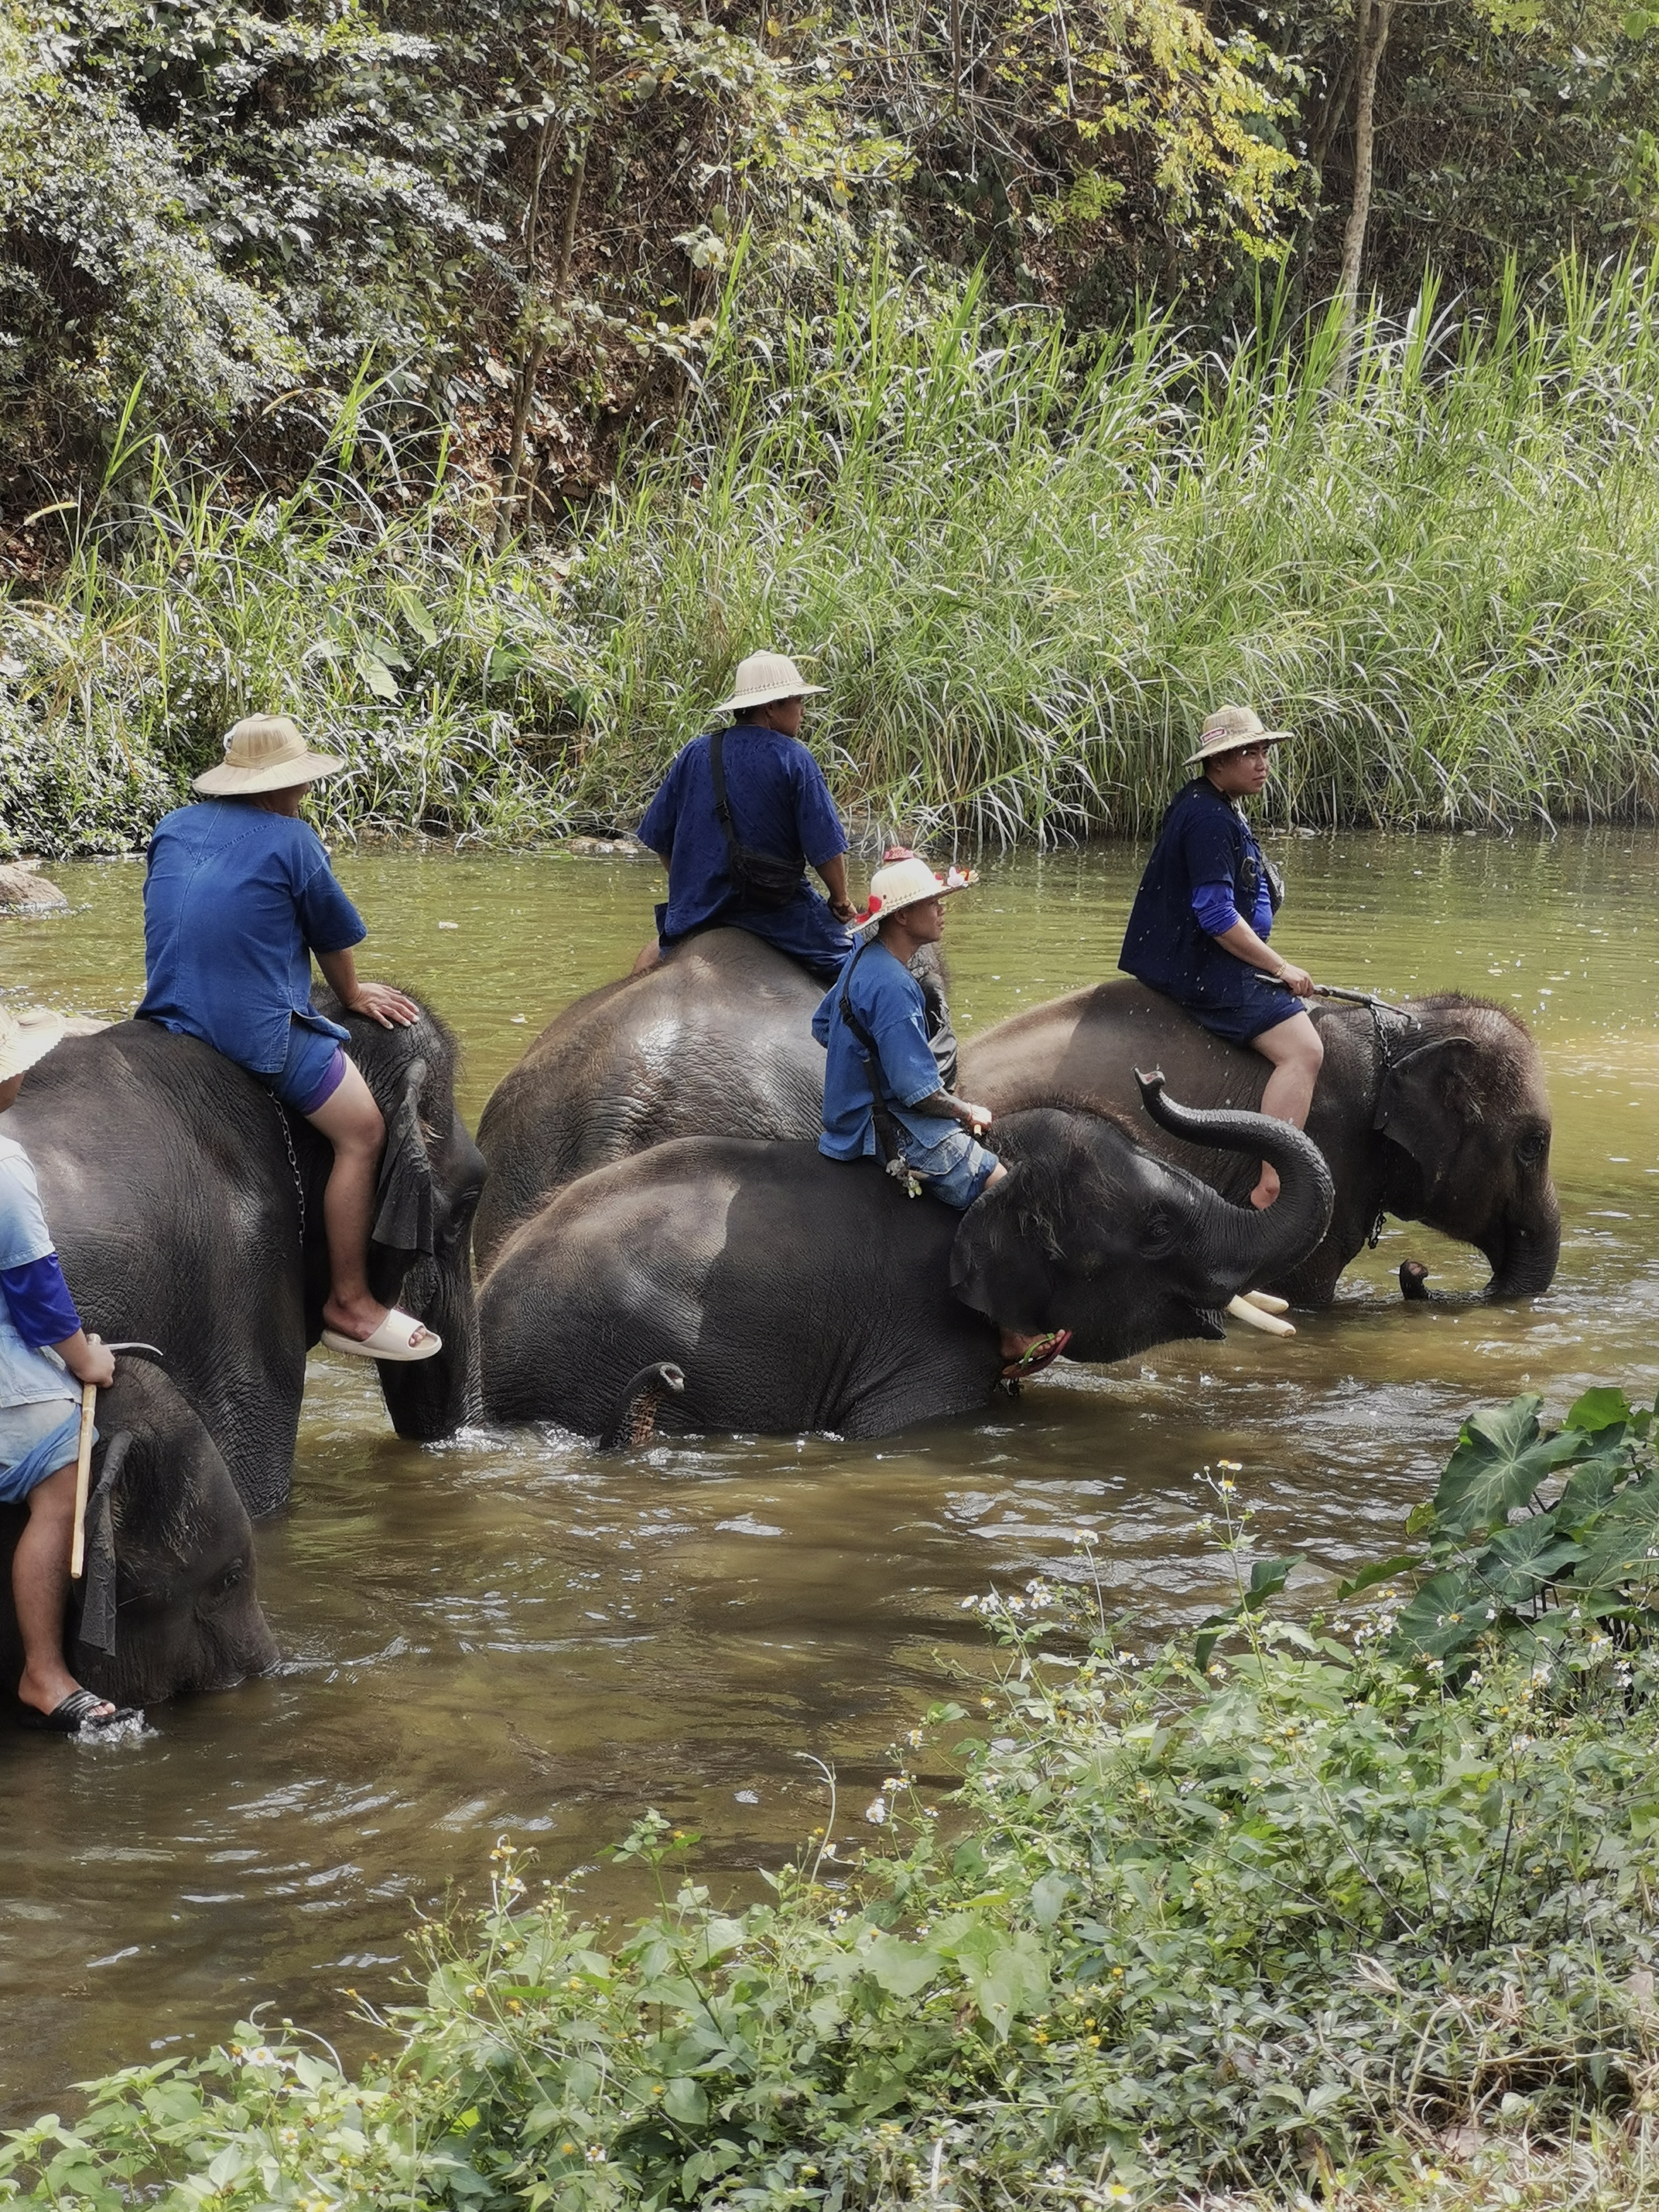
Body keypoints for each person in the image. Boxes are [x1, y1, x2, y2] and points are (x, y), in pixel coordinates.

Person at [136, 715, 441, 1362]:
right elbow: (332, 936)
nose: (302, 794)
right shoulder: (292, 840)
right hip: (251, 1029)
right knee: (362, 1132)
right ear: (281, 784)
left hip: (166, 1011)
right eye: (298, 783)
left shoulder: (174, 826)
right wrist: (354, 996)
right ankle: (350, 1301)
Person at [812, 852, 1069, 1379]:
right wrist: (966, 1107)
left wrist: (870, 1067)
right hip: (889, 1130)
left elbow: (823, 1025)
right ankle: (1011, 1328)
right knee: (1005, 1189)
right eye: (931, 902)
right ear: (903, 917)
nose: (942, 911)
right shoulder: (897, 987)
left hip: (848, 1117)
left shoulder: (863, 958)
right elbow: (916, 1090)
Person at [1118, 703, 1322, 1208]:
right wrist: (1279, 966)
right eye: (1246, 752)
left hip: (1212, 958)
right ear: (1218, 762)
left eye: (1263, 750)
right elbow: (1214, 915)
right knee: (1305, 1050)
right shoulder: (1209, 818)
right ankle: (1274, 1180)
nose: (1261, 762)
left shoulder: (1214, 804)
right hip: (1201, 965)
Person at [0, 1003, 133, 1734]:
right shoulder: (4, 1165)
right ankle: (43, 1673)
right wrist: (90, 1359)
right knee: (58, 1481)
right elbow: (38, 1294)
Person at [634, 651, 858, 982]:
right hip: (777, 915)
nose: (803, 710)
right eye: (797, 700)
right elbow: (825, 851)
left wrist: (695, 888)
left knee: (646, 964)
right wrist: (840, 900)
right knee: (861, 965)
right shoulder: (794, 759)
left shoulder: (695, 753)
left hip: (696, 914)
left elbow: (661, 842)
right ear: (771, 707)